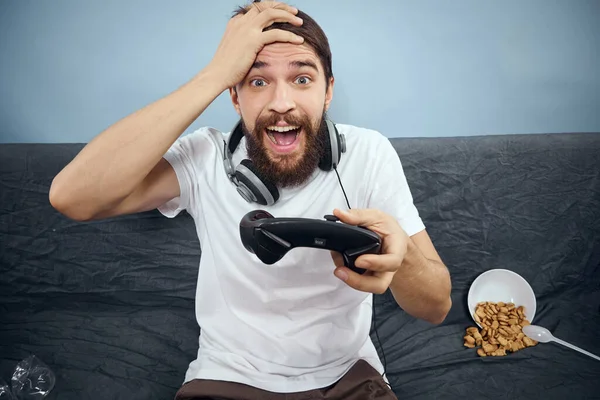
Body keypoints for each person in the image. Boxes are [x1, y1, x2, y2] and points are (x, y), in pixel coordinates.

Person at [49, 1, 452, 398]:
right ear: (235, 97)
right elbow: (72, 197)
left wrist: (403, 255)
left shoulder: (369, 153)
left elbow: (436, 307)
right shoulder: (203, 158)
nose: (281, 103)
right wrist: (214, 74)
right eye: (257, 81)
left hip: (347, 379)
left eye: (302, 79)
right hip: (227, 379)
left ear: (328, 92)